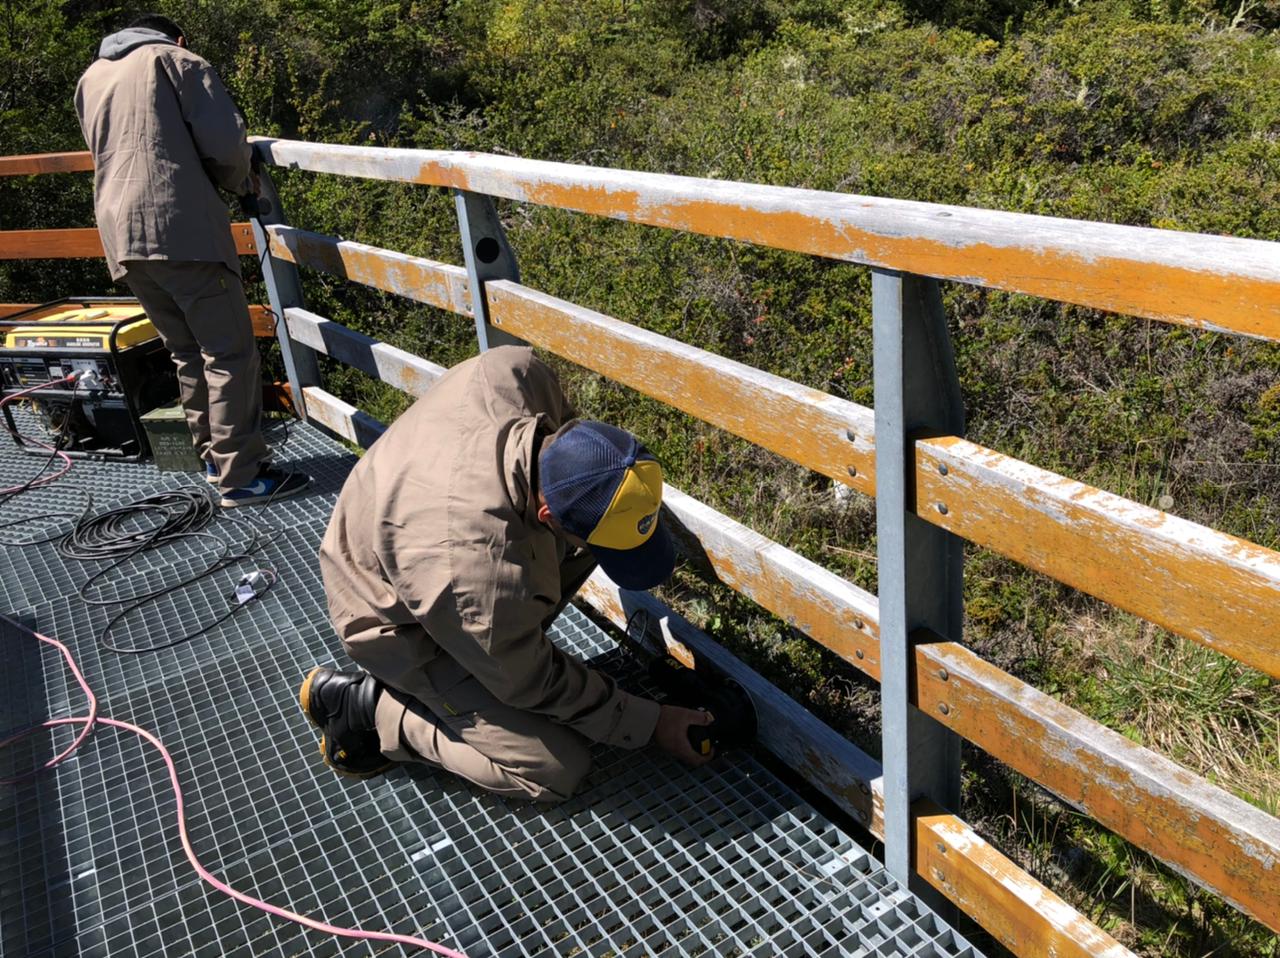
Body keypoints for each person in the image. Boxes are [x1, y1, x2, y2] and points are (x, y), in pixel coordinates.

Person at [302, 346, 712, 802]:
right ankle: (375, 709)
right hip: (385, 613)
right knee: (556, 769)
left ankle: (476, 662)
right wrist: (651, 723)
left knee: (568, 561)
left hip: (401, 531)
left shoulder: (516, 371)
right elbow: (528, 678)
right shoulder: (474, 571)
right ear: (545, 513)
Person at [75, 14, 309, 507]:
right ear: (177, 37)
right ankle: (241, 476)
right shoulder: (175, 59)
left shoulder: (92, 77)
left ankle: (210, 458)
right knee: (228, 352)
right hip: (178, 227)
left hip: (120, 234)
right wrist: (242, 181)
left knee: (185, 351)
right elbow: (225, 146)